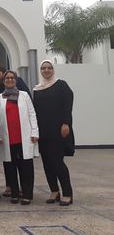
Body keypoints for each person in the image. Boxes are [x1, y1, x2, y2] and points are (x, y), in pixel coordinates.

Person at [0, 70, 39, 205]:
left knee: (26, 167)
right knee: (10, 167)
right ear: (4, 81)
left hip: (23, 137)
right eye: (7, 78)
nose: (10, 80)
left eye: (12, 78)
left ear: (16, 80)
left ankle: (27, 194)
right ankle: (14, 193)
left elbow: (32, 114)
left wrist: (35, 132)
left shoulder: (24, 95)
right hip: (7, 138)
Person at [33, 60, 74, 206]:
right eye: (43, 68)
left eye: (49, 68)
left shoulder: (61, 85)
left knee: (57, 162)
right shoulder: (37, 89)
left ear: (53, 69)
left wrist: (66, 123)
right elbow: (35, 112)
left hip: (58, 129)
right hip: (43, 131)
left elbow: (67, 105)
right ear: (40, 70)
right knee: (47, 163)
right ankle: (54, 191)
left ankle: (67, 193)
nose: (46, 70)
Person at [0, 63, 31, 197]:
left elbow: (29, 109)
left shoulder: (22, 92)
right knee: (9, 162)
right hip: (5, 132)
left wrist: (33, 130)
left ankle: (26, 190)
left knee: (23, 163)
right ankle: (11, 187)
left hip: (21, 131)